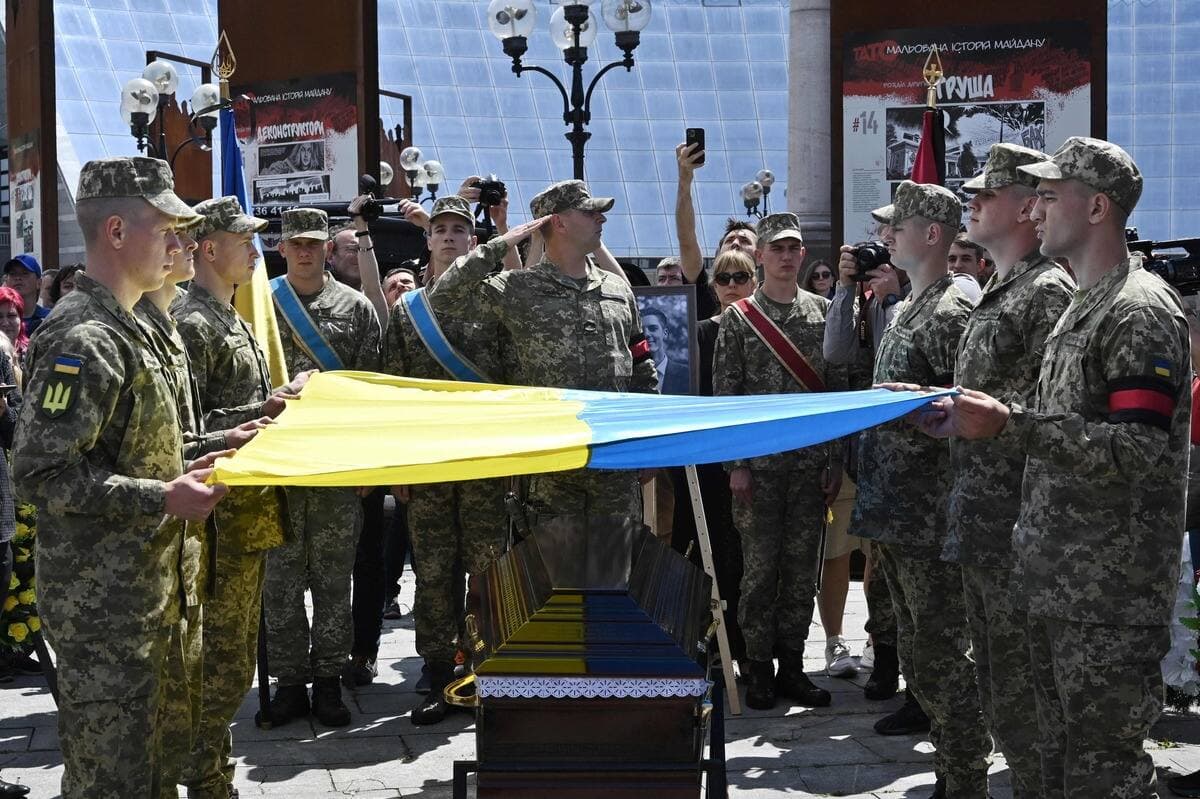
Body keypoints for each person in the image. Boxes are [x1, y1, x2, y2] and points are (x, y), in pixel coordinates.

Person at [913, 137, 1189, 799]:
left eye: (1048, 193)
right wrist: (961, 411)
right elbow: (1052, 414)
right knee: (1050, 769)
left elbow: (1135, 450)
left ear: (1096, 207)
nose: (1033, 208)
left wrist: (1008, 423)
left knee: (1103, 777)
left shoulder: (1139, 310)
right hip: (1054, 581)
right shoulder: (1083, 304)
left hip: (1108, 597)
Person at [11, 155, 228, 798]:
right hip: (104, 616)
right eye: (166, 231)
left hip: (151, 599)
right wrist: (165, 495)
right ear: (115, 232)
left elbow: (134, 449)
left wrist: (197, 459)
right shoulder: (85, 338)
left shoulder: (129, 327)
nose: (178, 246)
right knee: (114, 782)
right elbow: (41, 474)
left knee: (155, 775)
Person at [937, 143, 1076, 799]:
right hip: (987, 530)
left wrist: (1000, 418)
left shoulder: (1048, 290)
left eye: (986, 194)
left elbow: (1065, 413)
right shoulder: (999, 287)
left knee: (1033, 715)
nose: (974, 201)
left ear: (1027, 206)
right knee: (1003, 700)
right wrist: (942, 411)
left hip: (1023, 538)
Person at [847, 179, 990, 796]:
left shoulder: (955, 313)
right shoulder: (907, 307)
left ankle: (963, 776)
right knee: (917, 648)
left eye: (897, 225)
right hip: (896, 510)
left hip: (931, 514)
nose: (887, 235)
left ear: (933, 235)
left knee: (939, 653)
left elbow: (972, 412)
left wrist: (919, 409)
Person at [381, 195, 543, 725]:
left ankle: (484, 664)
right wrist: (398, 465)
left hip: (483, 461)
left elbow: (519, 378)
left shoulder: (498, 299)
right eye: (441, 229)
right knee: (431, 571)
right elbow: (394, 388)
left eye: (459, 229)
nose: (450, 236)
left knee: (486, 568)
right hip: (428, 463)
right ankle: (438, 670)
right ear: (427, 240)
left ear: (474, 242)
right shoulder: (408, 310)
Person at [428, 179, 657, 528]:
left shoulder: (617, 289)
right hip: (551, 463)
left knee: (614, 574)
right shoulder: (520, 288)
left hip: (613, 459)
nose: (602, 219)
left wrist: (649, 441)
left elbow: (641, 366)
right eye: (590, 212)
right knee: (557, 576)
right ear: (559, 223)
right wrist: (502, 242)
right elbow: (443, 297)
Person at [173, 196, 303, 799]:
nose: (255, 249)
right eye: (243, 239)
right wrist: (264, 411)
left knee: (229, 671)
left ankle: (211, 778)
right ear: (208, 247)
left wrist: (277, 399)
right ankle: (203, 781)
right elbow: (181, 429)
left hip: (244, 519)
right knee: (216, 669)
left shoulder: (229, 317)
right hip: (216, 525)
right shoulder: (194, 323)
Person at [713, 212, 845, 710]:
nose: (788, 257)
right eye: (778, 249)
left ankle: (793, 665)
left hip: (810, 468)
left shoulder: (824, 313)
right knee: (759, 573)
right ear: (760, 256)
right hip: (760, 469)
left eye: (795, 249)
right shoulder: (739, 317)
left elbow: (835, 394)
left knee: (800, 571)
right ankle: (758, 668)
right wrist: (737, 465)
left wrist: (834, 460)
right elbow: (727, 395)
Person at [264, 208, 380, 728]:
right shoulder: (261, 305)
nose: (305, 252)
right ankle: (289, 684)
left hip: (334, 464)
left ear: (328, 250)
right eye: (296, 244)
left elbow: (370, 391)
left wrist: (364, 467)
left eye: (314, 243)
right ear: (282, 249)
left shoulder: (354, 307)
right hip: (278, 463)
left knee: (335, 579)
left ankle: (330, 682)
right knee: (281, 580)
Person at [676, 141, 756, 320]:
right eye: (729, 240)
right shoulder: (705, 290)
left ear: (760, 255)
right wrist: (684, 181)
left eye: (745, 241)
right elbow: (686, 238)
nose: (735, 243)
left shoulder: (770, 296)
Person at [643, 307, 689, 394]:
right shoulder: (631, 375)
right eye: (641, 330)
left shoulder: (686, 375)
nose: (646, 334)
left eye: (652, 328)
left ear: (665, 333)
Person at [2, 255, 49, 337]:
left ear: (39, 283)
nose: (18, 278)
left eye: (25, 273)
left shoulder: (49, 317)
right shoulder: (2, 320)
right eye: (12, 274)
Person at [0, 289, 29, 368]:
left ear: (20, 319)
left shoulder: (32, 352)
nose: (5, 323)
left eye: (11, 315)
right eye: (0, 317)